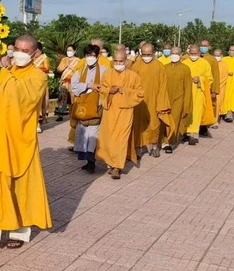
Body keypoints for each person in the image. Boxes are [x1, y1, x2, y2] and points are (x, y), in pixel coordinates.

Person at [0, 34, 51, 252]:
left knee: (22, 188)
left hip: (21, 140)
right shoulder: (3, 73)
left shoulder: (37, 77)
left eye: (25, 51)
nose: (19, 54)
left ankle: (19, 232)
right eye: (17, 49)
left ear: (35, 54)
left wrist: (3, 71)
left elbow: (19, 99)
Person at [96, 50, 144, 180]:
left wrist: (125, 91)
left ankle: (117, 167)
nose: (118, 64)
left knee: (121, 139)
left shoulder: (133, 76)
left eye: (121, 61)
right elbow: (101, 88)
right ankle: (110, 163)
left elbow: (140, 94)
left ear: (126, 61)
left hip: (125, 112)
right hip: (110, 111)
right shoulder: (107, 74)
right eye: (116, 61)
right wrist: (109, 90)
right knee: (109, 138)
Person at [132, 43, 173, 158]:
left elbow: (163, 86)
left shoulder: (159, 66)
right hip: (139, 102)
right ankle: (138, 148)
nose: (146, 57)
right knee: (138, 125)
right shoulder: (136, 66)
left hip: (154, 101)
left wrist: (161, 103)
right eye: (143, 54)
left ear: (153, 54)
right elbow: (131, 84)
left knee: (154, 124)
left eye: (148, 54)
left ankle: (154, 146)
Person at [72, 45, 108, 173]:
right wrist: (89, 86)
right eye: (87, 55)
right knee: (83, 135)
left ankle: (92, 161)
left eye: (92, 55)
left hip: (97, 106)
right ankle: (87, 161)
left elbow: (107, 86)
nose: (90, 58)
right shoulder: (80, 70)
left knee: (93, 134)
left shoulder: (104, 70)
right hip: (83, 107)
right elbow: (74, 86)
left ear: (97, 56)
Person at [183, 45, 214, 145]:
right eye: (191, 54)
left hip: (198, 92)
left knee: (196, 112)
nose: (193, 55)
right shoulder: (184, 63)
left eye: (195, 54)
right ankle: (185, 132)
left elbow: (209, 78)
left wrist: (200, 79)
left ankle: (194, 134)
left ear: (199, 53)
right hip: (186, 92)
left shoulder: (205, 63)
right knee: (186, 112)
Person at [162, 46, 192, 153]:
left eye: (176, 53)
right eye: (172, 53)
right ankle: (163, 139)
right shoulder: (164, 67)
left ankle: (170, 142)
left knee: (174, 120)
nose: (174, 55)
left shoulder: (185, 69)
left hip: (179, 99)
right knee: (164, 120)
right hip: (166, 98)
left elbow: (188, 87)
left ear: (181, 55)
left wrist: (187, 104)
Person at [199, 40, 221, 133]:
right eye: (201, 45)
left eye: (205, 45)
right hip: (197, 88)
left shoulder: (212, 60)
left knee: (206, 108)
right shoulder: (196, 58)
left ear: (209, 47)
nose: (203, 47)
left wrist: (214, 91)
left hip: (208, 88)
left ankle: (204, 127)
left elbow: (216, 76)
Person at [55, 44, 79, 121]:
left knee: (72, 99)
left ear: (74, 51)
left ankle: (72, 114)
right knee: (62, 97)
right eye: (68, 50)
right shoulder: (64, 59)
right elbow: (58, 69)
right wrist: (65, 66)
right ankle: (60, 114)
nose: (69, 52)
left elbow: (79, 71)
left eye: (70, 50)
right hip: (65, 81)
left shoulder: (78, 60)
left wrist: (71, 67)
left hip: (73, 82)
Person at [33, 43, 50, 133]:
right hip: (32, 83)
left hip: (41, 83)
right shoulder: (30, 58)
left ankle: (39, 123)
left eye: (37, 51)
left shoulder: (44, 58)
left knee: (40, 103)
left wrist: (36, 69)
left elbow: (47, 69)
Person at [212, 49, 229, 126]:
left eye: (218, 55)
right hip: (211, 87)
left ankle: (215, 121)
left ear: (221, 56)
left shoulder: (224, 65)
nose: (216, 57)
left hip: (220, 88)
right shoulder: (211, 64)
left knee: (218, 104)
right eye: (215, 55)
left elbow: (224, 77)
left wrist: (217, 87)